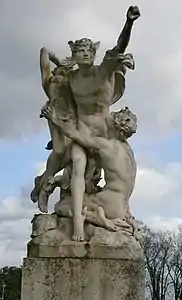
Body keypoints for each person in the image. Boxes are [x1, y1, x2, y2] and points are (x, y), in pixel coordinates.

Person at [64, 5, 140, 241]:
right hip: (83, 128)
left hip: (104, 130)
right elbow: (53, 86)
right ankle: (78, 223)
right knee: (78, 164)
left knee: (120, 166)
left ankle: (109, 211)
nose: (85, 54)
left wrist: (129, 23)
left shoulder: (104, 71)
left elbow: (120, 47)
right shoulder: (71, 78)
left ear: (94, 53)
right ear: (75, 54)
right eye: (80, 51)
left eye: (89, 50)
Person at [41, 105, 137, 236]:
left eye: (113, 115)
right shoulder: (127, 150)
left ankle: (95, 218)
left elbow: (74, 134)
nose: (109, 114)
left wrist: (53, 119)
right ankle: (96, 216)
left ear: (115, 125)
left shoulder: (107, 145)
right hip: (122, 207)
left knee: (62, 206)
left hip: (109, 203)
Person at [30, 47, 77, 212]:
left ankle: (41, 182)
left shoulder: (73, 81)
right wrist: (59, 63)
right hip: (54, 115)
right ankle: (44, 191)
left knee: (69, 158)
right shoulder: (49, 81)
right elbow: (44, 52)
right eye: (59, 72)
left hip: (72, 120)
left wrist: (72, 65)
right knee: (59, 151)